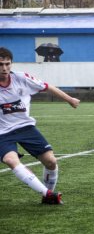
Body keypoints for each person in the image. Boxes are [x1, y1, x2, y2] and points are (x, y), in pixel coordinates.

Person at [0, 47, 80, 204]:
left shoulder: (22, 78)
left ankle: (46, 197)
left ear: (11, 64)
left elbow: (46, 86)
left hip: (25, 127)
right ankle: (48, 194)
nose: (4, 68)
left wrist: (69, 99)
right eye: (0, 64)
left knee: (51, 161)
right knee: (11, 160)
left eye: (7, 64)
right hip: (3, 133)